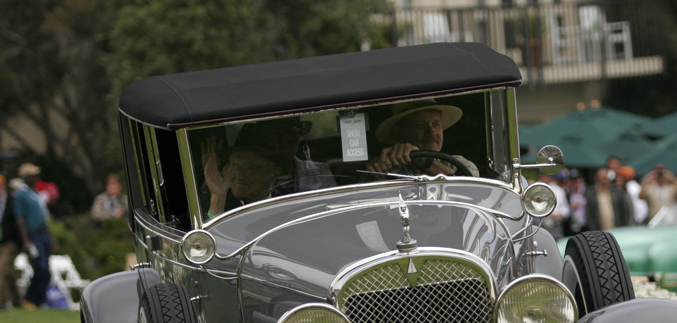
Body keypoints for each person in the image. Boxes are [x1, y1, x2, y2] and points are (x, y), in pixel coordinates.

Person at [200, 118, 334, 218]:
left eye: (251, 168)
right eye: (235, 167)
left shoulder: (285, 207)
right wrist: (218, 198)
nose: (240, 176)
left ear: (274, 174)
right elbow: (204, 245)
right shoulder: (207, 203)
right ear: (226, 170)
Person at [366, 100, 478, 177]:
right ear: (399, 133)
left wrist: (424, 161)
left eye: (436, 124)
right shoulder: (387, 168)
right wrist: (380, 175)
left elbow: (472, 192)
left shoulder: (459, 165)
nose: (432, 132)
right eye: (421, 125)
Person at [14, 162, 56, 309]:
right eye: (33, 176)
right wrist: (26, 240)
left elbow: (43, 218)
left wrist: (51, 238)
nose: (36, 178)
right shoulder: (21, 194)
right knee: (41, 268)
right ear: (26, 177)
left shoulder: (35, 193)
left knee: (47, 270)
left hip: (42, 233)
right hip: (32, 234)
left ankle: (38, 301)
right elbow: (20, 219)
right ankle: (30, 299)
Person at [0, 172, 23, 310]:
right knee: (8, 272)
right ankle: (17, 301)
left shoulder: (11, 200)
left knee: (2, 268)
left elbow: (19, 220)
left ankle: (0, 301)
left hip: (11, 241)